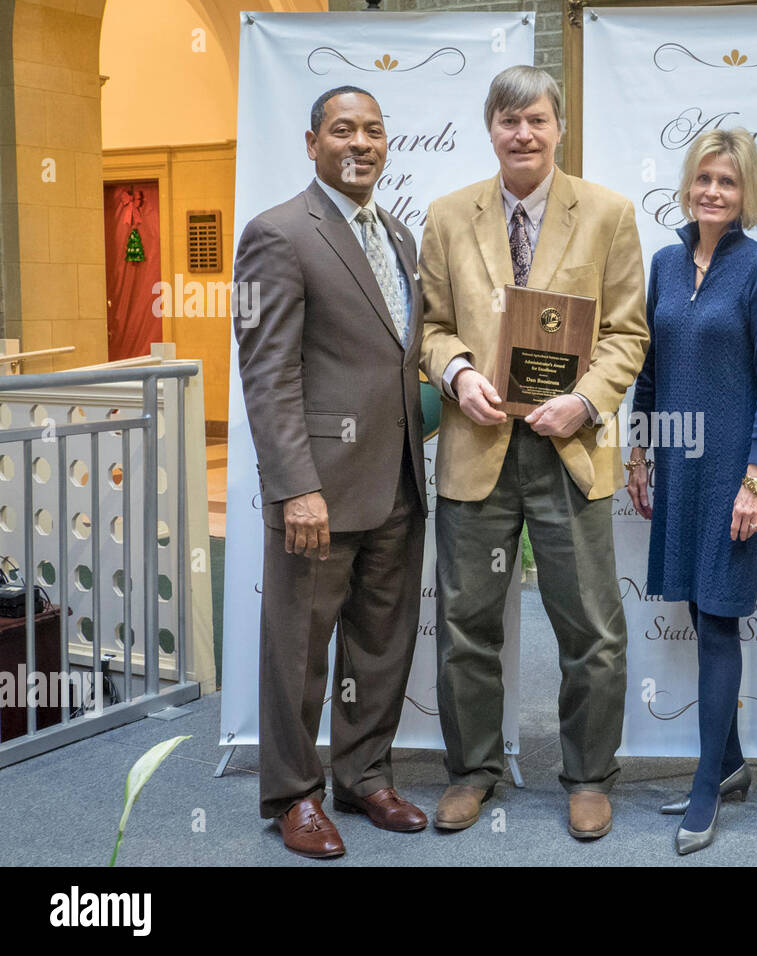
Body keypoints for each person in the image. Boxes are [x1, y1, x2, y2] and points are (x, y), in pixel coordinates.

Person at [418, 65, 648, 840]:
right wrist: (453, 373)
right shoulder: (448, 217)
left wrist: (585, 400)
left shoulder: (610, 214)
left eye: (537, 120)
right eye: (509, 120)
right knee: (464, 624)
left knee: (592, 629)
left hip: (568, 450)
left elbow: (627, 333)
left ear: (559, 129)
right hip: (477, 446)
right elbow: (431, 327)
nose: (523, 133)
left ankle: (587, 775)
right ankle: (472, 770)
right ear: (491, 128)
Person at [233, 86, 430, 859]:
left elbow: (397, 359)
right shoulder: (277, 234)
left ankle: (364, 777)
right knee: (297, 650)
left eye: (374, 130)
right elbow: (267, 372)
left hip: (399, 484)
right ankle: (293, 794)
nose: (361, 143)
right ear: (312, 142)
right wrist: (294, 486)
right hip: (318, 488)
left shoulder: (401, 236)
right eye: (343, 129)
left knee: (381, 645)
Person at [627, 128, 757, 855]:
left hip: (734, 470)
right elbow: (651, 368)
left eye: (727, 181)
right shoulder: (663, 262)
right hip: (678, 464)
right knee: (698, 608)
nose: (713, 192)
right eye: (703, 179)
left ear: (745, 191)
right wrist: (639, 449)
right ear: (687, 185)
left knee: (720, 618)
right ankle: (729, 767)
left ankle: (705, 785)